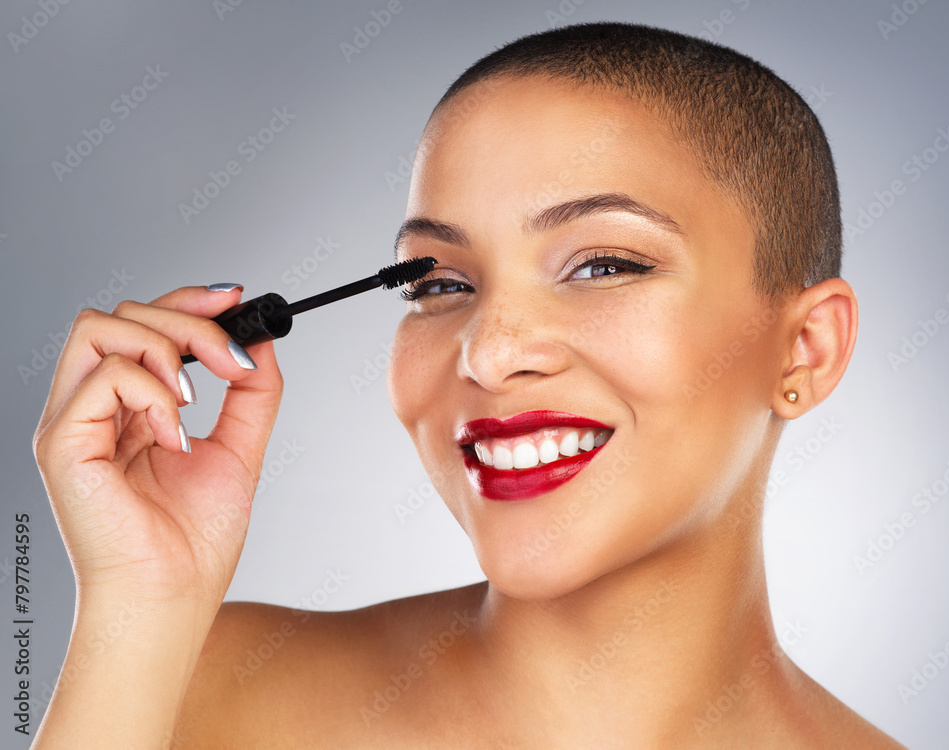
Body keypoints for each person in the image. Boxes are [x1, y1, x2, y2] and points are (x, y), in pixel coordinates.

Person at [31, 21, 904, 748]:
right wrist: (136, 612)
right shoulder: (202, 688)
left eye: (604, 264)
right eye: (441, 284)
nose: (489, 354)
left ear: (806, 350)